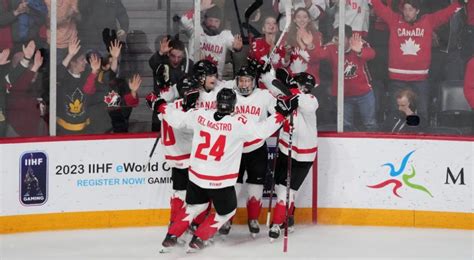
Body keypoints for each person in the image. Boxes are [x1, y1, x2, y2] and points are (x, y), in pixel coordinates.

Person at [155, 87, 297, 252]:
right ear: (234, 105)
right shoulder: (238, 123)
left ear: (217, 103)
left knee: (193, 207)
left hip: (196, 176)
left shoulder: (201, 114)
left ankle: (171, 235)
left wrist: (159, 104)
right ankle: (199, 238)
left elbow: (176, 119)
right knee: (226, 212)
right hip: (220, 181)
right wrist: (281, 114)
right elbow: (261, 131)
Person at [370, 0, 464, 121]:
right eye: (405, 9)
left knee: (422, 115)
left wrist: (460, 3)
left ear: (417, 11)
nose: (407, 13)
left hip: (420, 80)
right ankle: (397, 139)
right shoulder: (394, 20)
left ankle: (420, 138)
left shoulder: (428, 21)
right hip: (397, 79)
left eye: (410, 10)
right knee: (396, 115)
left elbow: (445, 14)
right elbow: (379, 8)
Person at [218, 66, 276, 237]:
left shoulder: (264, 96)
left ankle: (253, 218)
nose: (244, 84)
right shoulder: (229, 94)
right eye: (241, 80)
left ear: (254, 81)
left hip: (257, 149)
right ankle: (227, 218)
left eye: (248, 80)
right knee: (232, 185)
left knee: (255, 186)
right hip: (234, 149)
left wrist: (269, 75)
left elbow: (278, 110)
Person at [260, 69, 319, 240]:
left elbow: (302, 101)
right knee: (280, 188)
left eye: (307, 87)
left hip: (304, 156)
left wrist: (289, 90)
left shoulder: (311, 100)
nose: (305, 89)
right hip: (286, 149)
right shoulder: (286, 97)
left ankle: (278, 224)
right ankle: (288, 216)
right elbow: (274, 88)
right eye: (303, 85)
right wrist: (265, 74)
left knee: (287, 191)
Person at [316, 25, 377, 131]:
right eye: (337, 38)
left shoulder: (359, 43)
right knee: (346, 126)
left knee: (370, 124)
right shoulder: (331, 47)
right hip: (343, 96)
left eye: (342, 38)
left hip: (364, 93)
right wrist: (310, 45)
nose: (339, 42)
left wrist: (359, 51)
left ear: (349, 38)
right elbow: (318, 55)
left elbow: (372, 54)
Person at [180, 0, 243, 79]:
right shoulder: (196, 30)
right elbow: (184, 20)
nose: (213, 24)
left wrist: (237, 47)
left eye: (216, 21)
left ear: (220, 22)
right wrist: (199, 8)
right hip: (194, 78)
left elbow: (234, 46)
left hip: (215, 82)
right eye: (210, 20)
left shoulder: (225, 35)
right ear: (205, 20)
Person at [148, 36, 194, 132]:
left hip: (180, 113)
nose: (176, 60)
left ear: (183, 56)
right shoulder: (160, 62)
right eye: (173, 56)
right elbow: (152, 62)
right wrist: (160, 53)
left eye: (179, 57)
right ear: (168, 53)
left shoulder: (188, 64)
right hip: (161, 111)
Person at [285, 7, 323, 86]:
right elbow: (283, 63)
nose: (302, 20)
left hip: (311, 81)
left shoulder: (317, 36)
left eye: (305, 17)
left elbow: (316, 59)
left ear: (309, 20)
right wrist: (287, 54)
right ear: (294, 20)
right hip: (292, 82)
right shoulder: (287, 36)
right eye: (298, 17)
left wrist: (303, 44)